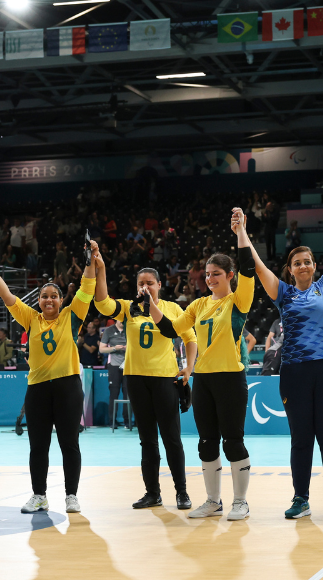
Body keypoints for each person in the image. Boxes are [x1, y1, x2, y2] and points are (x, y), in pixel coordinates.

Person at [233, 181, 323, 520]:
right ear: (290, 269)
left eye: (307, 261)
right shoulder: (283, 293)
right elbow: (256, 264)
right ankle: (301, 499)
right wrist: (242, 231)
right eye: (297, 262)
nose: (302, 266)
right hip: (295, 372)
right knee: (301, 439)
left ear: (315, 266)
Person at [148, 219, 256, 521]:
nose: (210, 279)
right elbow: (171, 330)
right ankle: (212, 501)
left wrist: (240, 233)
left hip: (231, 378)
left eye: (216, 274)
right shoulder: (197, 305)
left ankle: (240, 502)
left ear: (230, 275)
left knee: (233, 440)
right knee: (206, 441)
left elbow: (249, 267)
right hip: (203, 380)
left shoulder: (239, 299)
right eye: (207, 275)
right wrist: (152, 302)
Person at [0, 241, 100, 515]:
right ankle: (39, 496)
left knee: (69, 443)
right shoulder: (31, 319)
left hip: (68, 388)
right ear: (38, 301)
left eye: (54, 296)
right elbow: (7, 295)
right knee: (38, 446)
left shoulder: (72, 317)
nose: (49, 300)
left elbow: (87, 288)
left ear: (62, 300)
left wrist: (90, 260)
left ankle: (71, 495)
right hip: (36, 390)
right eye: (44, 296)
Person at [95, 267, 197, 510]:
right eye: (141, 283)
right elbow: (101, 303)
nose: (145, 287)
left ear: (159, 285)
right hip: (136, 379)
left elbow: (190, 338)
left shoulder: (172, 308)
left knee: (172, 439)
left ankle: (181, 492)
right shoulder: (129, 308)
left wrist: (188, 368)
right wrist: (100, 271)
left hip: (165, 379)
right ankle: (152, 493)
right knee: (147, 440)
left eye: (150, 283)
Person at [99, 318, 130, 428]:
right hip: (114, 365)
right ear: (116, 319)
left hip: (128, 366)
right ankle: (112, 422)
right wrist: (114, 348)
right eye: (121, 320)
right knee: (114, 394)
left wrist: (129, 348)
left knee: (128, 394)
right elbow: (102, 349)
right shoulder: (109, 331)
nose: (122, 322)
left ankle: (128, 422)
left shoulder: (130, 329)